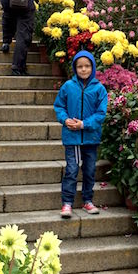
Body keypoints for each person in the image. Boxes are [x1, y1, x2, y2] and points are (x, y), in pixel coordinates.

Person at [53, 50, 108, 219]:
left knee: (90, 170)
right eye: (80, 66)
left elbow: (101, 113)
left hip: (91, 138)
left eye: (87, 66)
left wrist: (84, 124)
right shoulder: (68, 87)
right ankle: (67, 203)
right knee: (71, 169)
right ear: (75, 68)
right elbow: (59, 106)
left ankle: (87, 200)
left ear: (93, 67)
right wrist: (65, 120)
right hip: (72, 138)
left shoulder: (99, 89)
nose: (83, 69)